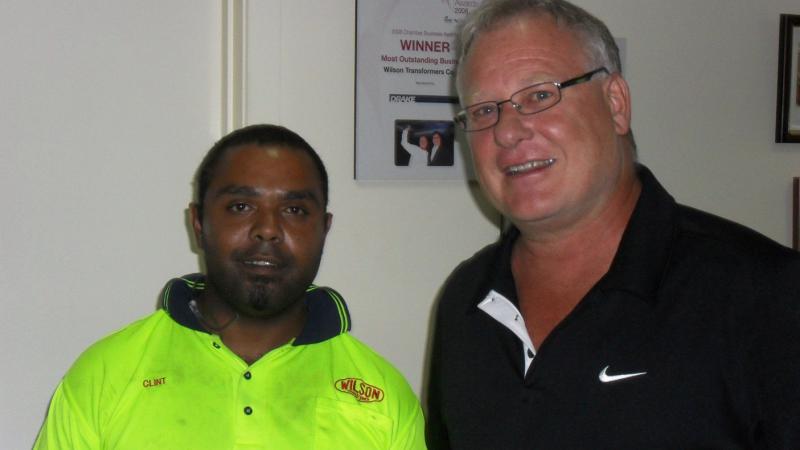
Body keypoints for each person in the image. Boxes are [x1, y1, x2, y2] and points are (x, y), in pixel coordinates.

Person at [425, 1, 800, 449]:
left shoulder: (765, 294)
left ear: (616, 103)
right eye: (484, 111)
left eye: (540, 95)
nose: (507, 131)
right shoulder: (465, 300)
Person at [34, 124, 426, 449]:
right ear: (199, 223)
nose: (268, 230)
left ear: (324, 229)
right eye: (241, 206)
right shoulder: (105, 377)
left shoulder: (382, 396)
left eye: (295, 210)